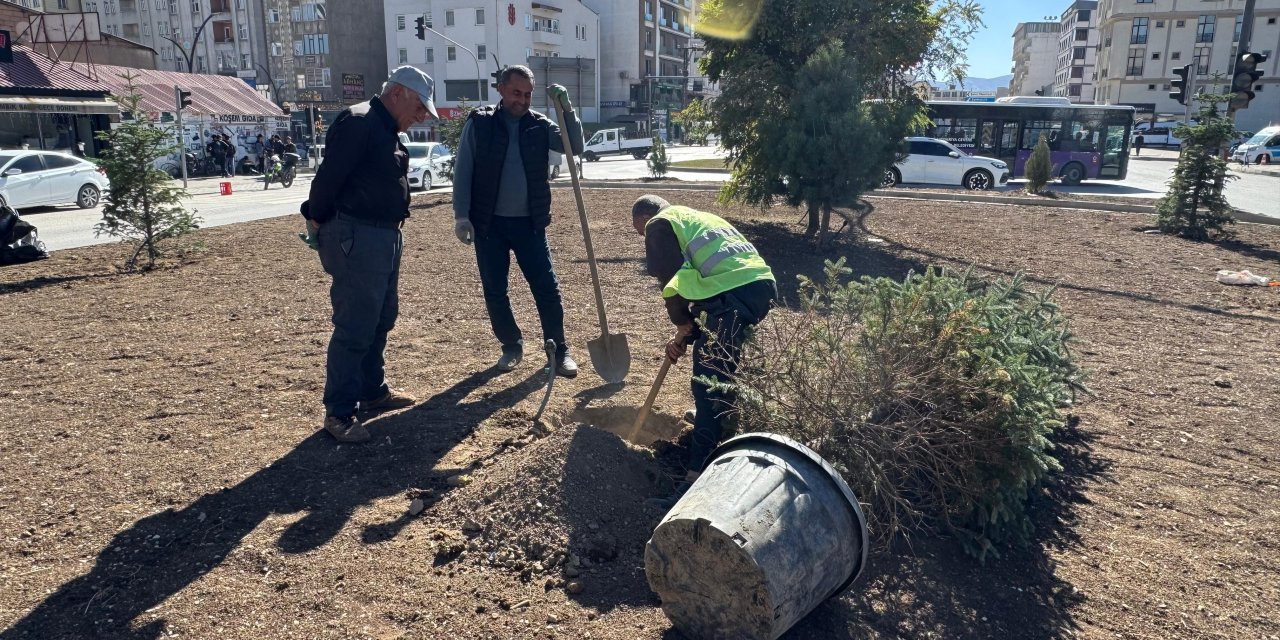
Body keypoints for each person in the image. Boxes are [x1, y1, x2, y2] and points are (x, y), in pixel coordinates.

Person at [299, 65, 438, 443]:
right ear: (398, 93)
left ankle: (372, 392)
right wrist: (315, 218)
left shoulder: (385, 128)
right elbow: (328, 179)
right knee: (356, 324)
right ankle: (340, 412)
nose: (423, 115)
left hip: (383, 237)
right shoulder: (359, 122)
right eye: (420, 106)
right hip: (357, 236)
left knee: (381, 317)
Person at [629, 195, 777, 508]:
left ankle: (694, 479)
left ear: (645, 217)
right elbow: (705, 289)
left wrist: (681, 322)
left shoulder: (659, 224)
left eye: (639, 231)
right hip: (755, 287)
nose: (644, 238)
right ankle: (719, 426)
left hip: (735, 294)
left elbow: (671, 284)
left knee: (707, 382)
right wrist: (684, 336)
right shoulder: (696, 218)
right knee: (718, 370)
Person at [451, 65, 584, 377]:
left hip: (530, 225)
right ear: (500, 89)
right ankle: (511, 345)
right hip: (489, 225)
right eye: (516, 93)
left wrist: (567, 110)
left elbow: (574, 145)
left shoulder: (540, 125)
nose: (522, 100)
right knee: (495, 290)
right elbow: (464, 169)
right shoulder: (480, 123)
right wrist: (461, 216)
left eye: (527, 95)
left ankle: (559, 350)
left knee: (547, 289)